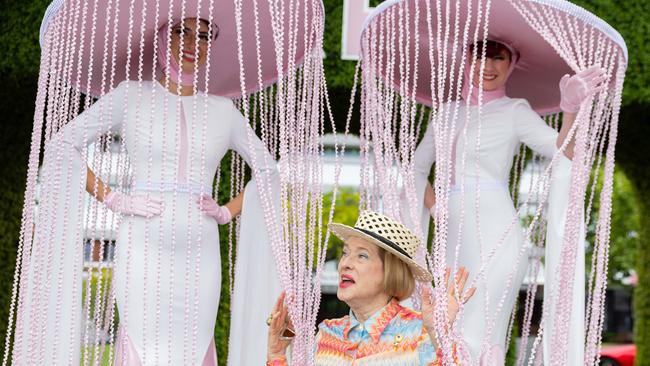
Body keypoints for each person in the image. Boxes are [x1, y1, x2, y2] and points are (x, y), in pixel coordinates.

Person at [49, 18, 278, 365]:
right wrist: (114, 198)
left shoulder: (223, 111)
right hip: (142, 246)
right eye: (181, 31)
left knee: (194, 347)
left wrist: (226, 211)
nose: (192, 43)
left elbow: (268, 169)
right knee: (145, 348)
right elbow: (63, 144)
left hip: (200, 254)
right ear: (159, 35)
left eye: (203, 35)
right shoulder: (129, 96)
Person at [411, 40, 606, 363]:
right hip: (450, 235)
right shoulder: (446, 113)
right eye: (479, 56)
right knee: (443, 320)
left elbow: (562, 150)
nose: (488, 66)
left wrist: (571, 110)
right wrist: (434, 206)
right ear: (466, 60)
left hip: (496, 231)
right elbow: (415, 167)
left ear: (512, 63)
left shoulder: (515, 111)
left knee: (482, 326)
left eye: (498, 57)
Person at [265, 210, 476, 365]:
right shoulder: (328, 333)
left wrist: (441, 337)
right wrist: (276, 356)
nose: (345, 263)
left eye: (362, 256)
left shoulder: (421, 332)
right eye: (345, 253)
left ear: (391, 272)